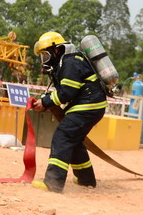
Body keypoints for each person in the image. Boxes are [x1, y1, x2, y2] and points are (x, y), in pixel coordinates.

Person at [31, 31, 107, 193]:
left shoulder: (69, 62)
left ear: (56, 50)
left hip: (88, 105)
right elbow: (65, 92)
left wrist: (45, 101)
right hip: (91, 105)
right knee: (74, 139)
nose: (44, 60)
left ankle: (53, 183)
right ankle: (86, 179)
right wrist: (46, 101)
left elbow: (67, 92)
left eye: (45, 55)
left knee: (63, 136)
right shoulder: (66, 62)